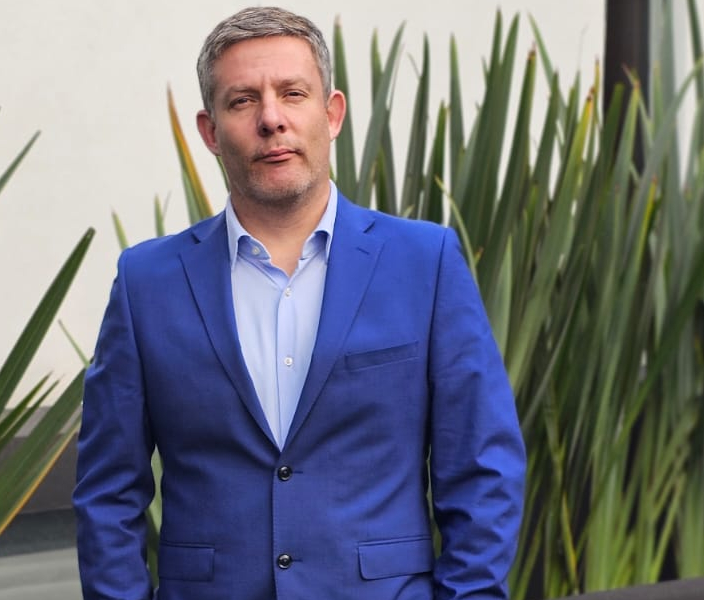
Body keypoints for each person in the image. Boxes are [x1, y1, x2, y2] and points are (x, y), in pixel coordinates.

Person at [73, 6, 525, 600]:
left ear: (331, 114)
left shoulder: (425, 263)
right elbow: (107, 492)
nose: (271, 119)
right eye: (243, 101)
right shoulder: (147, 283)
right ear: (210, 131)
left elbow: (483, 470)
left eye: (293, 93)